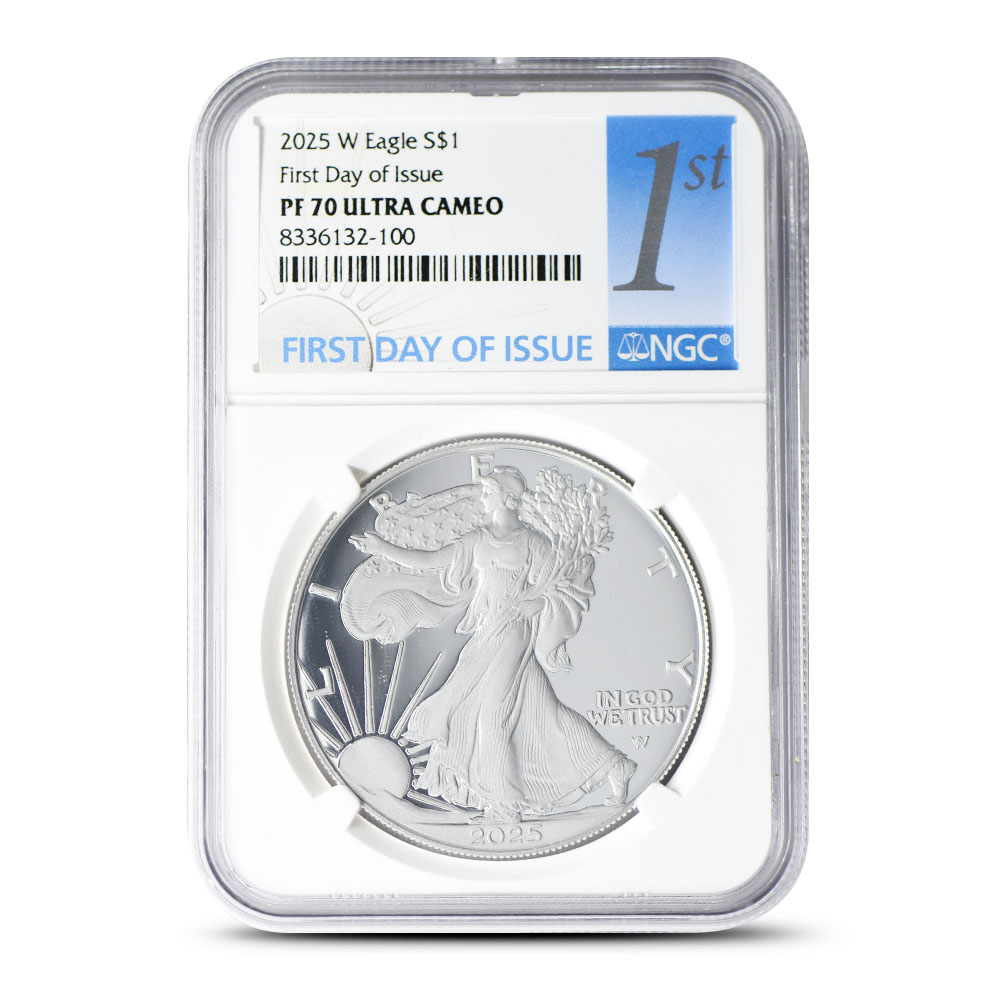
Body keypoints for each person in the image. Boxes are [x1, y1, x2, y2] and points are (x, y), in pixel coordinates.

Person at [347, 466, 635, 821]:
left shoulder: (533, 543)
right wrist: (384, 549)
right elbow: (431, 562)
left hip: (514, 631)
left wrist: (536, 604)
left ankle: (504, 803)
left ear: (507, 498)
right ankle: (614, 766)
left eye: (489, 492)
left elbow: (559, 588)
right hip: (486, 632)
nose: (483, 497)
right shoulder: (478, 539)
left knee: (491, 714)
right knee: (541, 711)